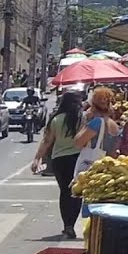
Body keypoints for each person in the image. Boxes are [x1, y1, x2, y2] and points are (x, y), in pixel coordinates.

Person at [32, 90, 85, 239]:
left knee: (64, 191)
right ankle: (72, 224)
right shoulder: (82, 119)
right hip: (77, 159)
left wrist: (37, 159)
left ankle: (67, 225)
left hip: (59, 159)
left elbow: (47, 141)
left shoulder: (55, 120)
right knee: (76, 192)